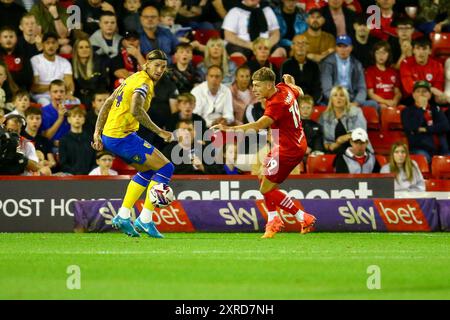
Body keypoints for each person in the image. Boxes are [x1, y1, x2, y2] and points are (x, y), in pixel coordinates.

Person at [212, 67, 316, 238]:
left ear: (269, 85)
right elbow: (299, 91)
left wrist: (227, 129)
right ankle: (273, 221)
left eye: (258, 86)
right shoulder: (284, 88)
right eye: (253, 85)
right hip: (291, 143)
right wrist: (292, 83)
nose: (254, 89)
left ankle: (302, 217)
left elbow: (258, 125)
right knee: (264, 177)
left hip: (288, 149)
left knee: (266, 189)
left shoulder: (276, 103)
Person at [92, 49, 174, 239]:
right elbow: (136, 110)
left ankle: (123, 216)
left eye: (163, 66)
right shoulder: (143, 83)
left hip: (113, 135)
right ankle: (145, 219)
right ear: (146, 65)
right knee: (166, 168)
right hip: (122, 137)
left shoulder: (132, 78)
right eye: (156, 65)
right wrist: (159, 131)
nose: (160, 70)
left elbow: (109, 102)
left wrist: (98, 131)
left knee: (147, 171)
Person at [401, 80, 450, 162]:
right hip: (420, 149)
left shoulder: (435, 109)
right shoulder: (407, 111)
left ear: (430, 95)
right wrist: (422, 109)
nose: (421, 93)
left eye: (425, 91)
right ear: (413, 95)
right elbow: (412, 127)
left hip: (441, 149)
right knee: (424, 159)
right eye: (418, 91)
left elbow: (445, 126)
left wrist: (425, 129)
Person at [319, 34, 369, 108]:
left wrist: (356, 102)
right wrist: (338, 101)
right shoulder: (327, 63)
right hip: (333, 99)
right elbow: (326, 88)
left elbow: (362, 88)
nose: (342, 49)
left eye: (345, 46)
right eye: (340, 46)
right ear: (336, 48)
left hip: (352, 99)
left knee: (373, 104)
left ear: (351, 48)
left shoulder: (357, 64)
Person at [319, 85, 367, 155]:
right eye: (335, 95)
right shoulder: (325, 116)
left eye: (342, 95)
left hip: (355, 149)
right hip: (332, 151)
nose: (339, 98)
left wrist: (341, 140)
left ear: (346, 99)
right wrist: (328, 146)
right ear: (331, 99)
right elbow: (321, 138)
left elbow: (361, 133)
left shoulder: (356, 112)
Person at [30, 32, 74, 106]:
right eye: (47, 43)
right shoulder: (35, 60)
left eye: (53, 43)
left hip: (61, 95)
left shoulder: (64, 62)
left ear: (57, 45)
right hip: (42, 95)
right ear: (42, 45)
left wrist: (69, 93)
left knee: (76, 102)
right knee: (47, 104)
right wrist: (56, 88)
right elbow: (35, 88)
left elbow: (69, 84)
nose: (51, 46)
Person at [399, 37, 447, 104]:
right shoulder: (406, 64)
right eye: (418, 48)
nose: (421, 52)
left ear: (430, 51)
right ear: (413, 50)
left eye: (424, 49)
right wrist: (430, 88)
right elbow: (409, 88)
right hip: (411, 99)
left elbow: (437, 89)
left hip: (430, 99)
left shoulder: (437, 66)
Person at [280, 34, 322, 103]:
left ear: (308, 46)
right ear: (292, 46)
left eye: (303, 43)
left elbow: (317, 88)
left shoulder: (314, 66)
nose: (301, 46)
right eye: (298, 43)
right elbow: (284, 87)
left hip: (310, 103)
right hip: (292, 101)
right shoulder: (286, 65)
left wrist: (311, 102)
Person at [72, 38, 110, 106]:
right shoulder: (71, 64)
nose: (84, 49)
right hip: (78, 97)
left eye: (87, 47)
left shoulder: (99, 62)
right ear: (76, 50)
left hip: (96, 96)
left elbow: (103, 82)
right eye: (81, 47)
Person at [365, 41, 402, 110]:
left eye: (384, 53)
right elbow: (370, 94)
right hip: (379, 104)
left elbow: (398, 92)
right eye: (378, 53)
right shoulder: (370, 71)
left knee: (403, 109)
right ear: (374, 54)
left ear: (388, 54)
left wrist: (395, 101)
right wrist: (385, 102)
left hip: (393, 103)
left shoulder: (393, 71)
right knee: (384, 108)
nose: (381, 56)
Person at [59, 106, 96, 175]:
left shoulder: (90, 139)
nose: (77, 118)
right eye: (74, 116)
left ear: (84, 119)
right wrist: (75, 173)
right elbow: (63, 163)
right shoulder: (64, 140)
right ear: (69, 119)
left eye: (80, 116)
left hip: (90, 176)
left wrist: (90, 173)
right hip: (71, 177)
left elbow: (94, 161)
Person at [0, 26, 33, 90]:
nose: (8, 39)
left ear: (16, 39)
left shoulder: (23, 54)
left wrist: (7, 76)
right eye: (5, 37)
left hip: (19, 92)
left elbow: (28, 78)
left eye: (11, 37)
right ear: (0, 40)